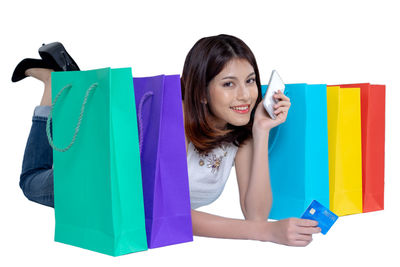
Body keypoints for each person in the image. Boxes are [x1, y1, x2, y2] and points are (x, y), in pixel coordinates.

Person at [13, 35, 321, 248]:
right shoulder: (174, 124)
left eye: (250, 80)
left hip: (122, 182)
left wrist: (261, 131)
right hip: (103, 185)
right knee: (31, 182)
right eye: (229, 84)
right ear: (201, 91)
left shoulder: (238, 135)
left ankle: (71, 85)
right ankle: (53, 88)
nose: (245, 95)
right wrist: (263, 232)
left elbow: (255, 213)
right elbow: (167, 211)